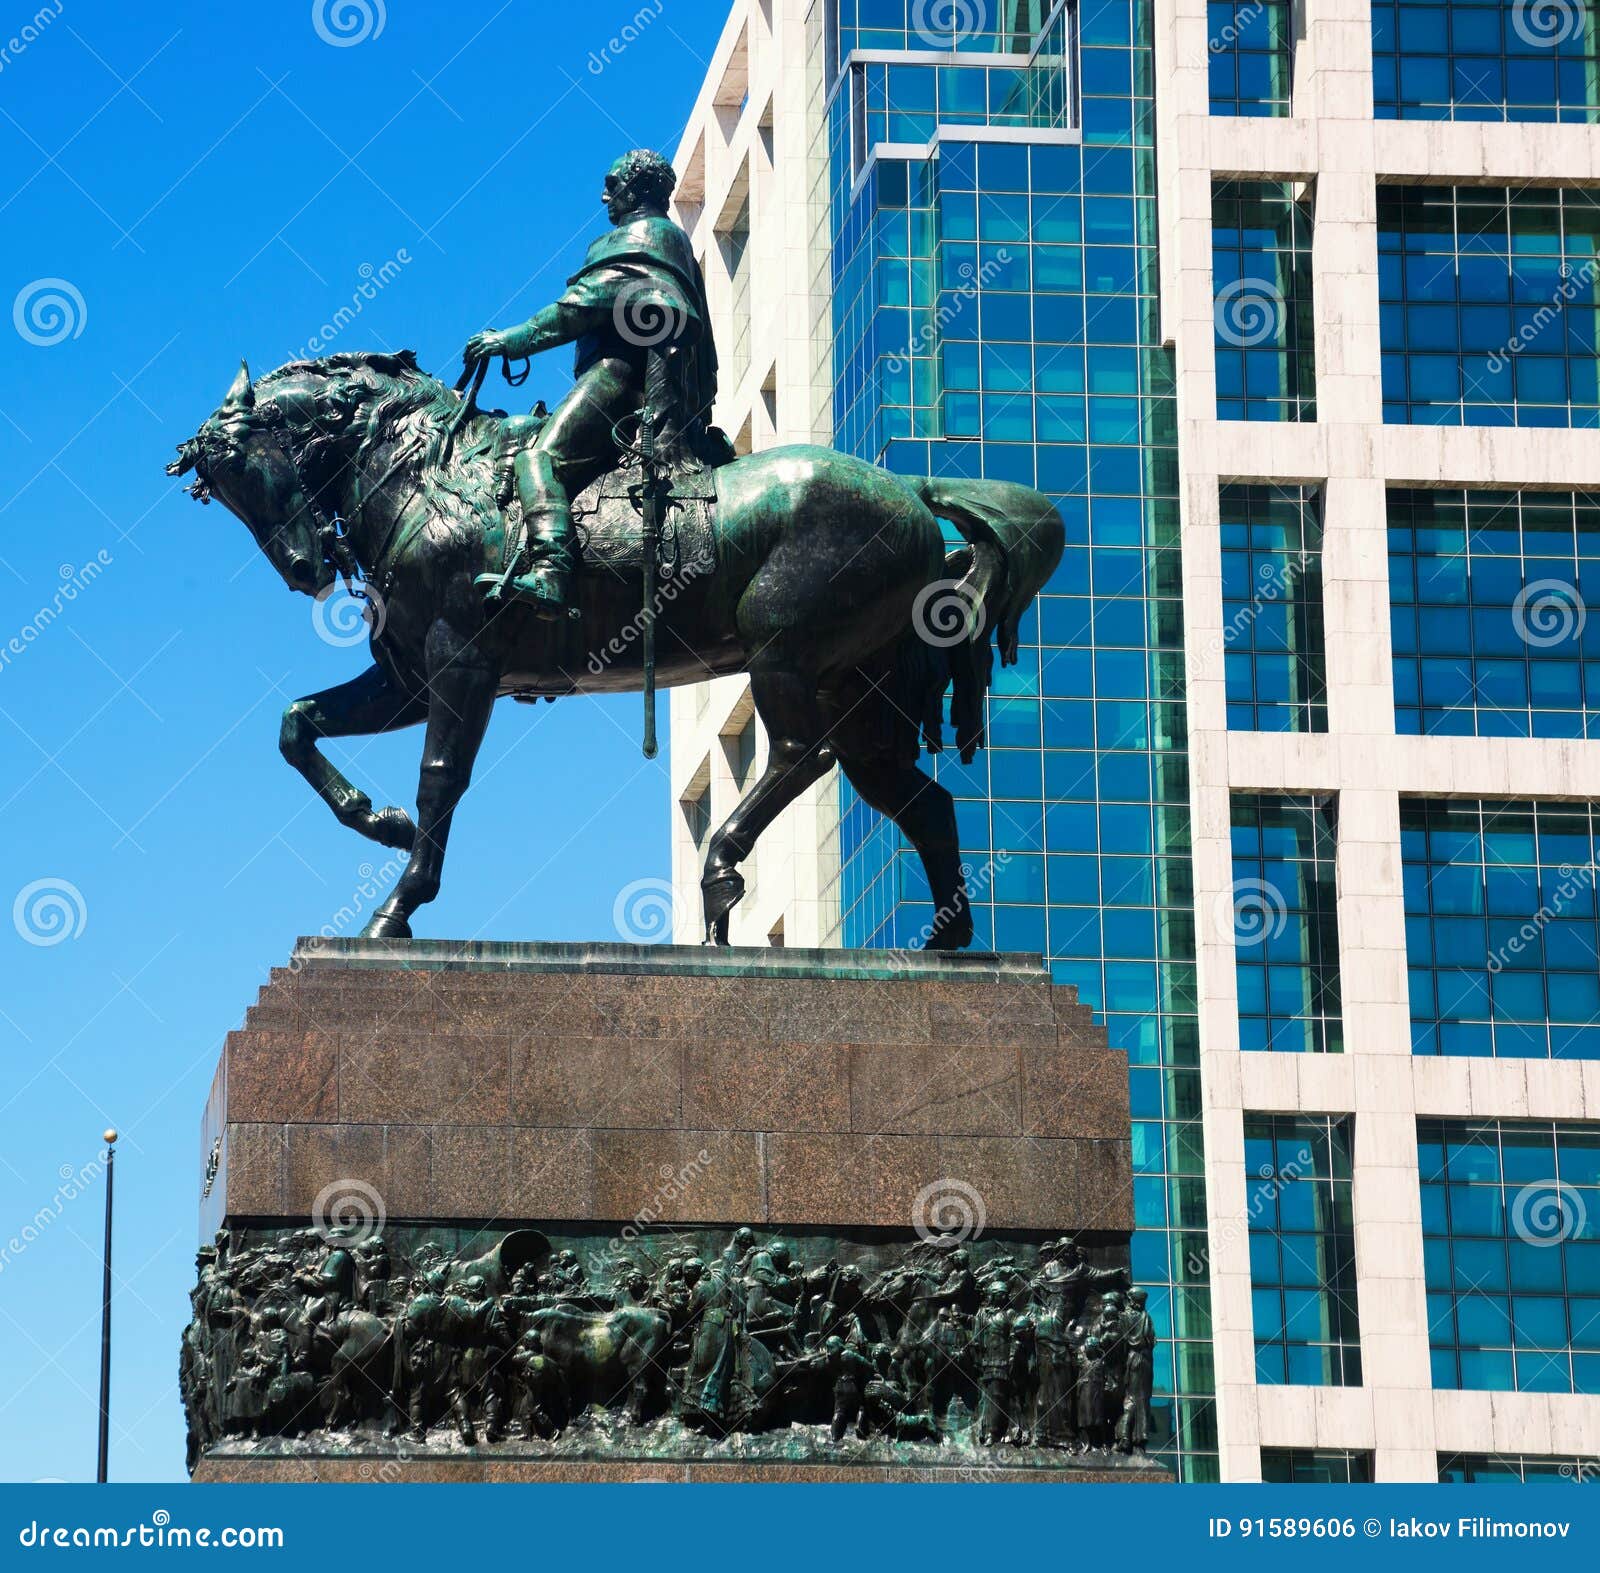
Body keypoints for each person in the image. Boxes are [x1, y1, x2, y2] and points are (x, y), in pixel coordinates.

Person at [461, 149, 718, 619]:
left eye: (613, 183)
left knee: (539, 459)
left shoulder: (644, 235)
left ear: (638, 188)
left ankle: (550, 573)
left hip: (621, 380)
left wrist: (509, 340)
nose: (605, 195)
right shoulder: (668, 238)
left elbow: (580, 307)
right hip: (631, 380)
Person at [1114, 1287, 1156, 1454]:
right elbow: (1152, 1340)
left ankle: (1127, 1437)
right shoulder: (1146, 1317)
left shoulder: (1125, 1317)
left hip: (1134, 1360)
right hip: (1143, 1361)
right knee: (1141, 1399)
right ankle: (1135, 1437)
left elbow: (1122, 1343)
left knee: (1134, 1398)